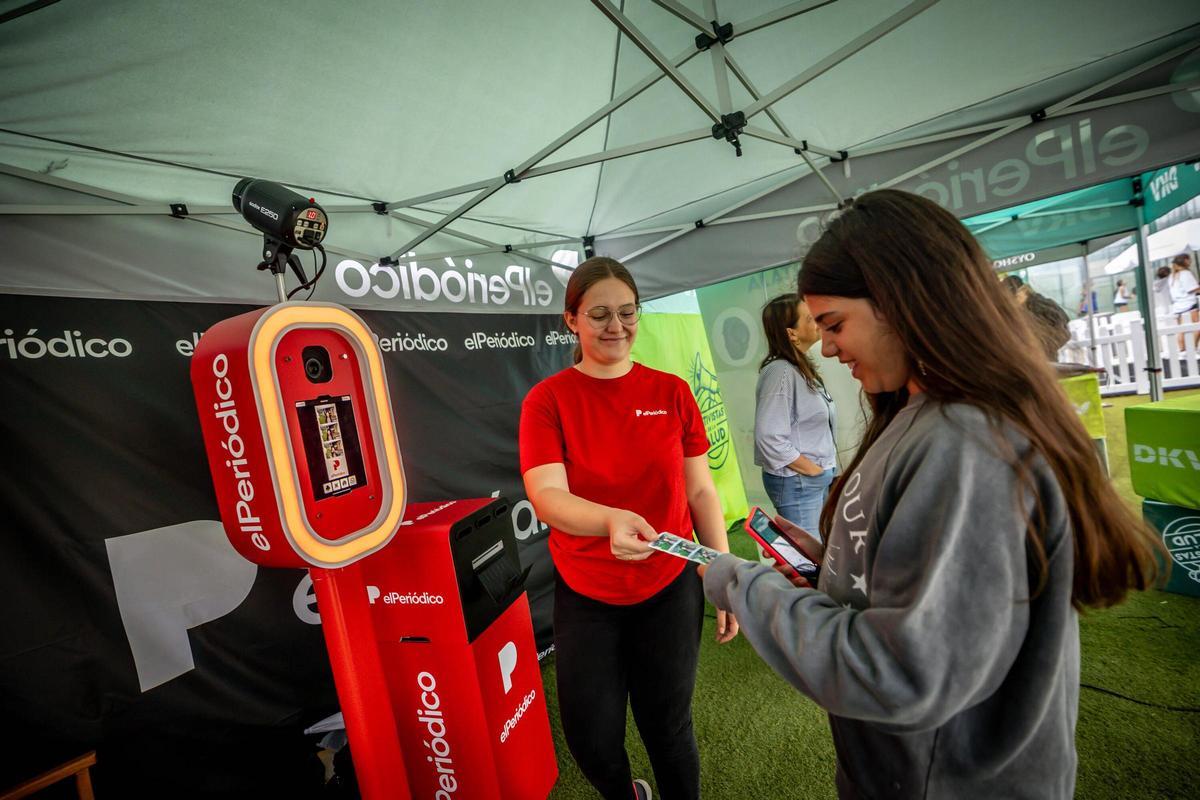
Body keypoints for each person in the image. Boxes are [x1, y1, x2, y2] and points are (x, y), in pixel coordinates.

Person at [697, 190, 1161, 799]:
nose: (830, 347)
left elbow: (900, 674)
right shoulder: (915, 412)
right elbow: (904, 578)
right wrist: (828, 570)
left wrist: (742, 582)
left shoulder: (967, 443)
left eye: (835, 324)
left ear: (903, 302)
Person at [519, 256, 738, 800]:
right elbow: (547, 496)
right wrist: (608, 520)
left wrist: (722, 569)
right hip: (586, 590)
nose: (616, 326)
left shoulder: (672, 393)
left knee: (668, 727)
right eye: (599, 314)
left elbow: (701, 491)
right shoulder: (548, 401)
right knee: (591, 739)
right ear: (571, 319)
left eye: (626, 312)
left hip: (669, 587)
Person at [754, 294, 837, 539]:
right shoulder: (780, 372)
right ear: (791, 333)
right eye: (810, 318)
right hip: (800, 482)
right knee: (808, 560)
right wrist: (812, 471)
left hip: (810, 480)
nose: (818, 322)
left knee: (819, 552)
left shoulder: (796, 369)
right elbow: (769, 437)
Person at [1169, 253, 1199, 349]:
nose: (1191, 261)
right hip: (1189, 305)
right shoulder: (1186, 273)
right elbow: (1192, 289)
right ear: (1185, 260)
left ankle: (1183, 351)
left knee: (1182, 330)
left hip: (1178, 307)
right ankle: (1192, 349)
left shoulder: (1172, 276)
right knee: (1197, 327)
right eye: (1189, 259)